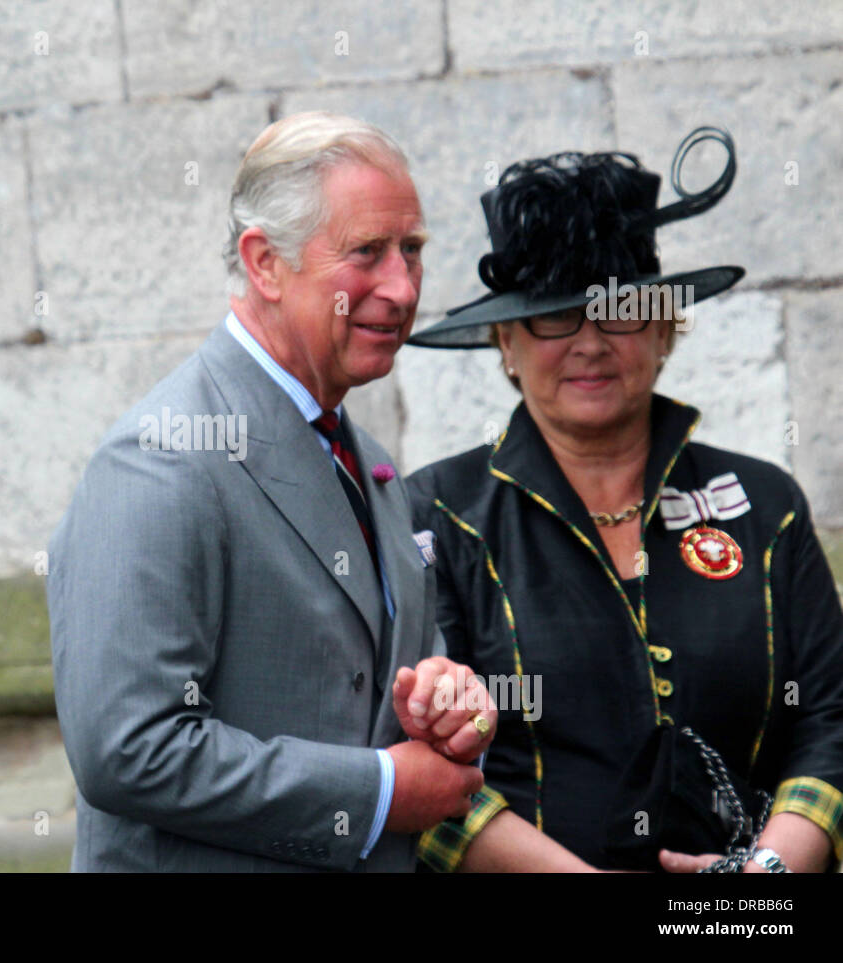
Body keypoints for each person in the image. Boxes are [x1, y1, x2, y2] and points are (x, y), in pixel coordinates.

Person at [49, 111, 498, 872]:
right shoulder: (161, 457)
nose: (401, 286)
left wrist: (451, 701)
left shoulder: (370, 463)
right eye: (366, 253)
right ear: (265, 263)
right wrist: (381, 790)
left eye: (412, 250)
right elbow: (128, 749)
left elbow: (385, 684)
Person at [404, 128, 843, 872]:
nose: (590, 340)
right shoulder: (438, 515)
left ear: (667, 326)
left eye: (621, 307)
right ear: (504, 342)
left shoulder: (765, 506)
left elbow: (829, 722)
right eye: (553, 315)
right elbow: (409, 764)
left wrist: (763, 879)